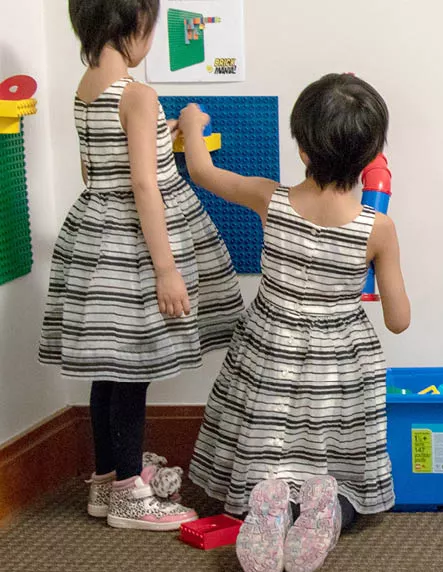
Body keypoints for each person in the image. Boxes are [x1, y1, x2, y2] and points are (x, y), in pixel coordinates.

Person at [181, 73, 410, 572]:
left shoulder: (271, 199)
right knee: (334, 456)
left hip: (271, 348)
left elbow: (202, 170)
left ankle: (272, 503)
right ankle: (327, 507)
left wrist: (193, 123)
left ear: (303, 150)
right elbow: (398, 320)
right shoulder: (378, 228)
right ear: (371, 155)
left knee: (273, 439)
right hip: (340, 362)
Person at [39, 0, 244, 530]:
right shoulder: (138, 94)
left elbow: (94, 169)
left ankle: (107, 480)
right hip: (135, 246)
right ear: (133, 25)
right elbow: (144, 184)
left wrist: (154, 133)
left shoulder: (86, 88)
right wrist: (166, 269)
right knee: (134, 369)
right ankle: (131, 495)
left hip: (96, 234)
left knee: (108, 367)